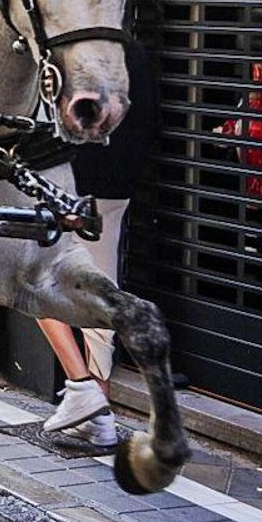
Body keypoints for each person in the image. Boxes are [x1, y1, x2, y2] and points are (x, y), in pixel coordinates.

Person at [39, 41, 159, 448]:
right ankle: (100, 404)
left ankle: (82, 388)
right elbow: (149, 120)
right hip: (118, 187)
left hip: (72, 187)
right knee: (102, 285)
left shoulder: (73, 51)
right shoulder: (134, 55)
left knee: (34, 282)